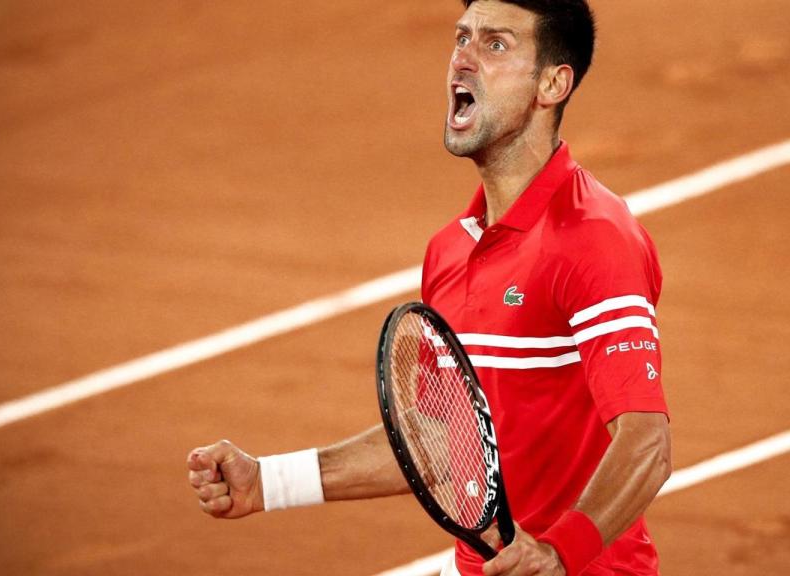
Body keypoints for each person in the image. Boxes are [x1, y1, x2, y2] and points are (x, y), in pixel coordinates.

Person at [186, 1, 672, 575]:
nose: (462, 60)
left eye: (495, 45)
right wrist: (270, 482)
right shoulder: (450, 250)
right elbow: (439, 443)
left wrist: (558, 553)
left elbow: (647, 443)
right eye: (461, 38)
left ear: (552, 84)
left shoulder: (591, 237)